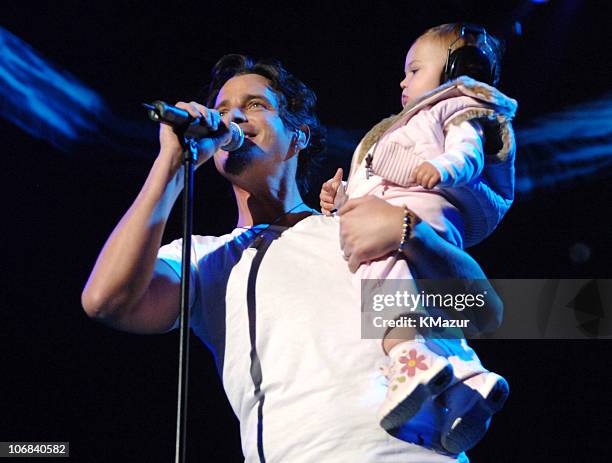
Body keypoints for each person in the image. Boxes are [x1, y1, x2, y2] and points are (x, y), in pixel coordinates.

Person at [82, 53, 501, 462]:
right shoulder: (207, 260)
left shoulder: (357, 224)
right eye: (222, 109)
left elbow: (487, 314)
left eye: (255, 105)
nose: (233, 118)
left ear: (298, 135)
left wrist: (412, 232)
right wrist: (172, 162)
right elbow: (105, 300)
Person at [319, 23, 517, 454]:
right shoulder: (412, 122)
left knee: (380, 274)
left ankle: (407, 357)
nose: (403, 81)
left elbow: (469, 152)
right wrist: (340, 199)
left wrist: (444, 170)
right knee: (433, 308)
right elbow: (376, 186)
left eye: (415, 70)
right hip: (411, 211)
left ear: (454, 71)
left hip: (419, 210)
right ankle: (468, 379)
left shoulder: (458, 106)